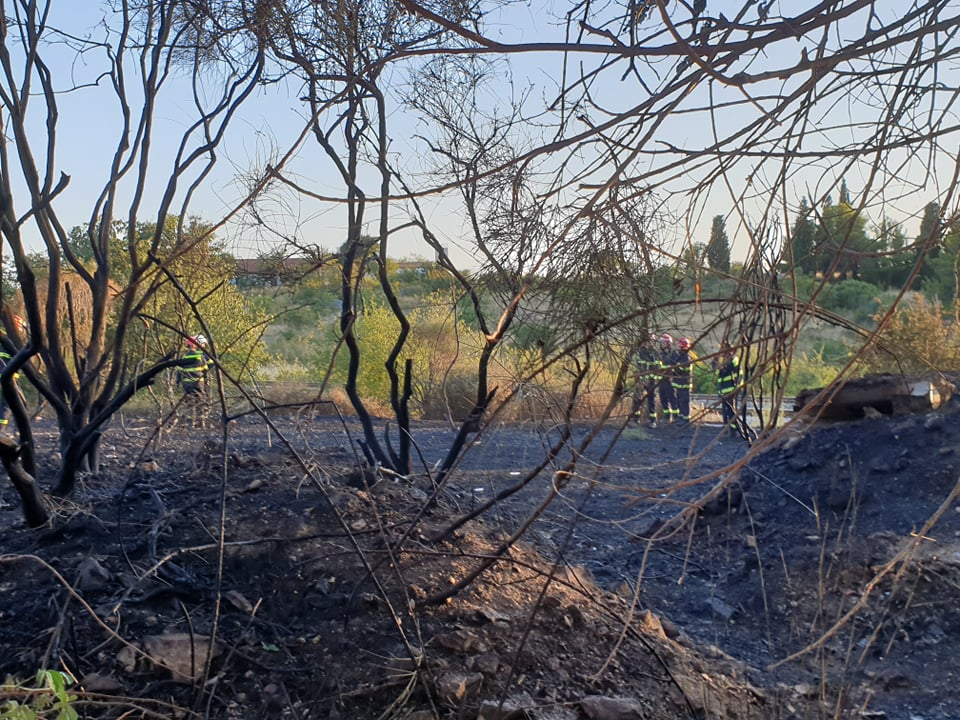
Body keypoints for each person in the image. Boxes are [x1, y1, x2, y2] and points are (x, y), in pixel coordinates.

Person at [178, 334, 210, 427]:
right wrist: (207, 380)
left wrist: (178, 381)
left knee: (189, 403)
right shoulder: (200, 356)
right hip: (198, 384)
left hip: (187, 384)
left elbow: (179, 371)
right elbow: (205, 370)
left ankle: (190, 423)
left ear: (187, 345)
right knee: (200, 402)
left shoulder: (184, 357)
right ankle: (201, 423)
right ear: (195, 345)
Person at [632, 334, 660, 427]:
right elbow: (635, 366)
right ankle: (635, 419)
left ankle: (652, 421)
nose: (647, 343)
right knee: (636, 399)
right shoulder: (639, 352)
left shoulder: (655, 353)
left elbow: (657, 369)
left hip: (651, 380)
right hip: (639, 381)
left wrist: (649, 378)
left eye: (650, 341)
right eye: (646, 341)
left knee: (651, 400)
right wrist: (639, 378)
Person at [715, 341, 742, 432]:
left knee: (731, 410)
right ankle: (726, 427)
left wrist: (723, 367)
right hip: (723, 389)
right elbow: (718, 373)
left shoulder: (734, 359)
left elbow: (731, 369)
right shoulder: (723, 361)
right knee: (725, 410)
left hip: (731, 388)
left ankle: (733, 430)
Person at [657, 333, 679, 424]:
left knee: (672, 398)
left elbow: (676, 366)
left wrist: (672, 376)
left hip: (670, 380)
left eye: (664, 342)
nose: (662, 344)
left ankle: (675, 417)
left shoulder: (673, 354)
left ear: (668, 343)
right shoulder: (660, 354)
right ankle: (667, 417)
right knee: (663, 399)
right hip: (661, 380)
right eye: (661, 342)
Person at [672, 337, 694, 424]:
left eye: (679, 345)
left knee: (684, 402)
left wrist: (676, 366)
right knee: (679, 402)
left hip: (685, 384)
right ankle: (681, 418)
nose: (678, 347)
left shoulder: (686, 357)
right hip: (679, 383)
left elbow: (681, 369)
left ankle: (686, 420)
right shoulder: (680, 356)